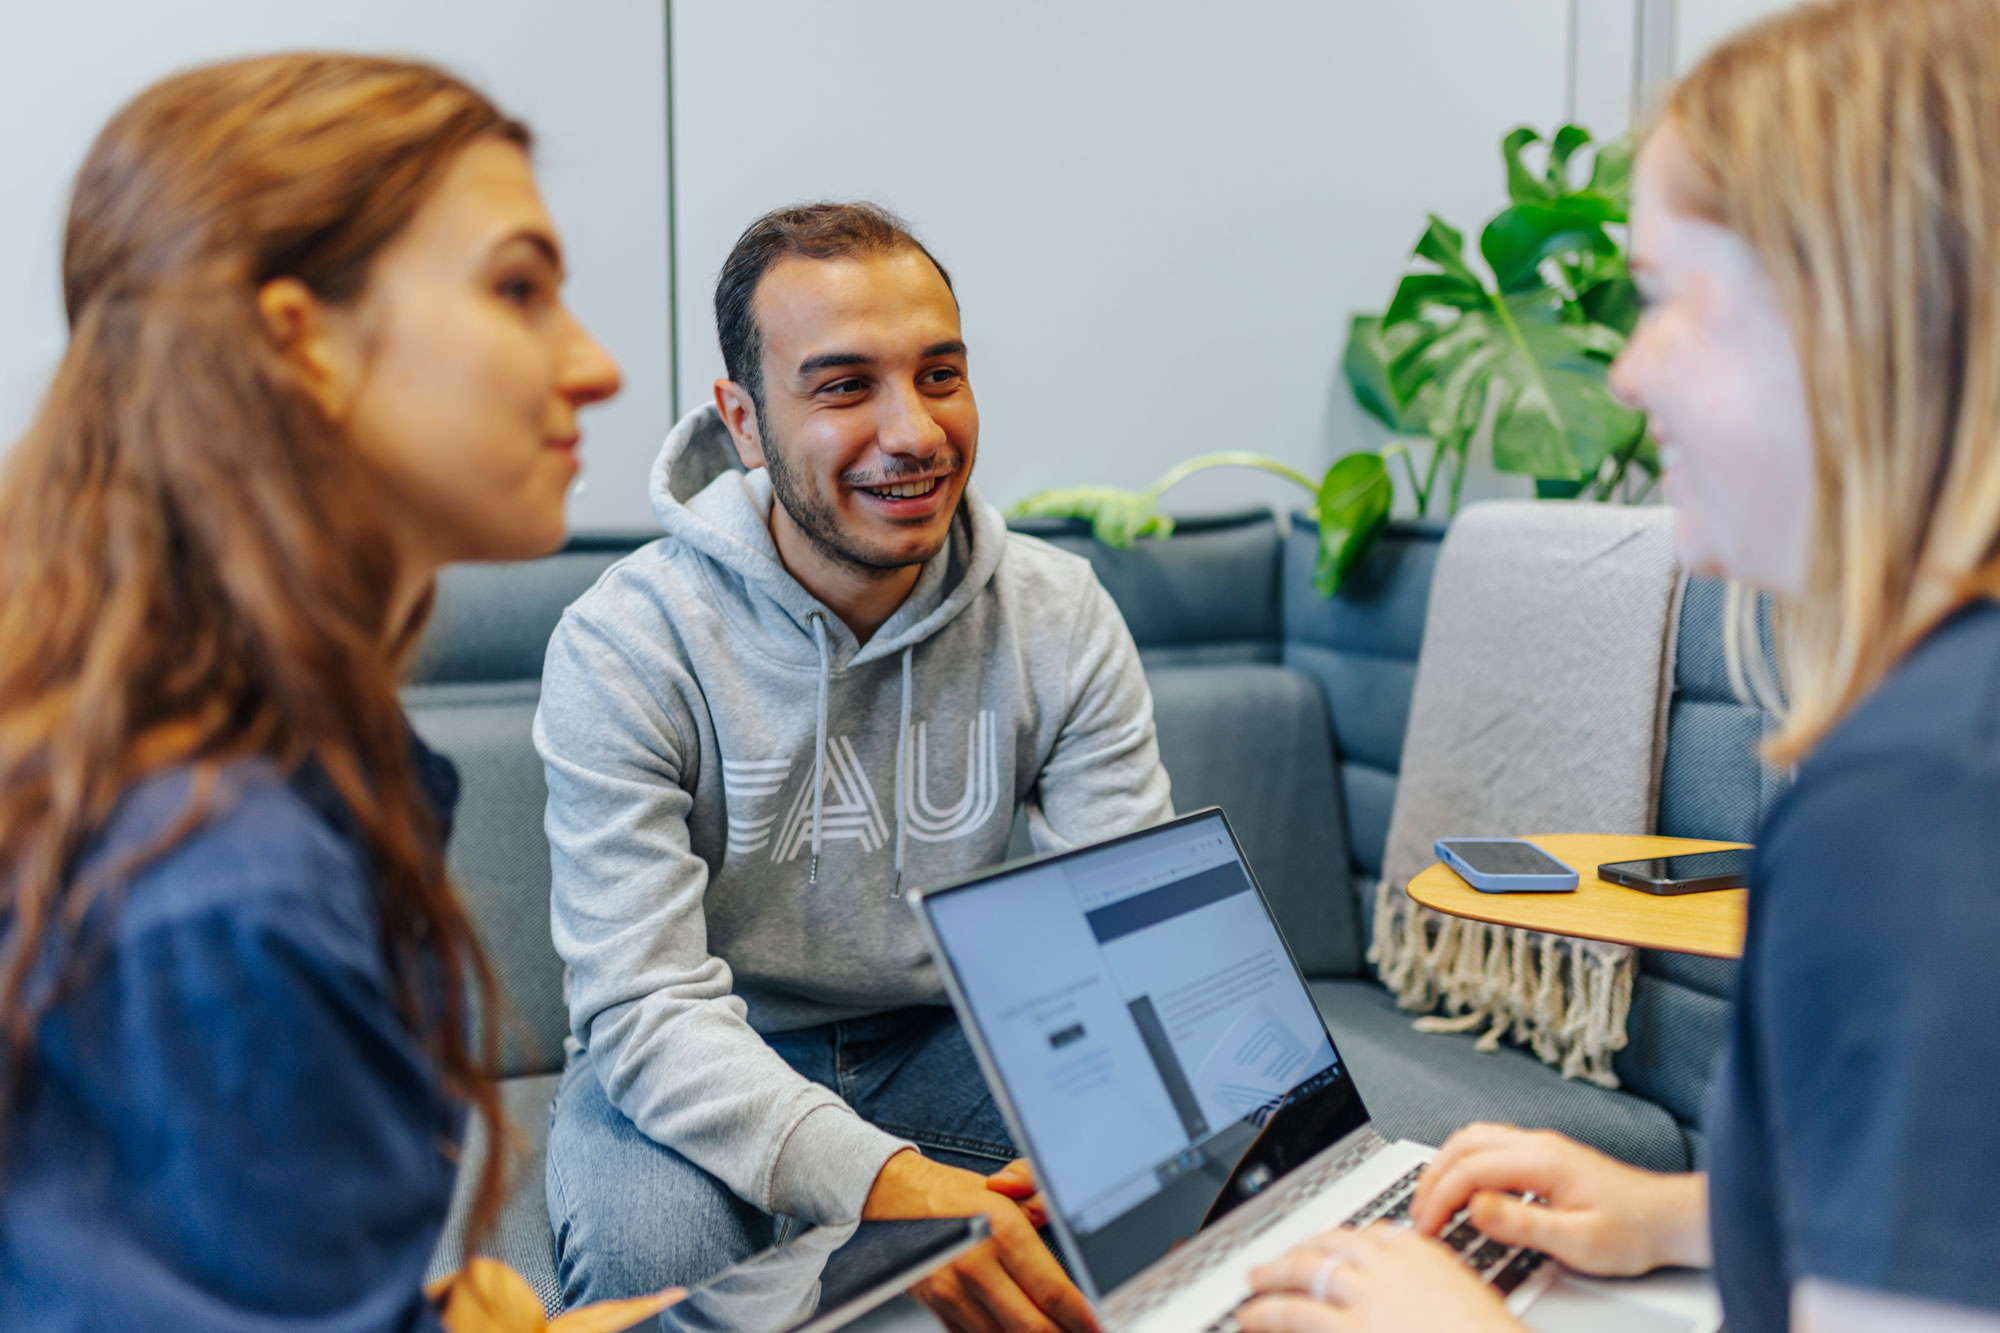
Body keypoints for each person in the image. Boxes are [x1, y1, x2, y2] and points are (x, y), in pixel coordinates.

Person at [1236, 2, 2000, 1330]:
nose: (1629, 376)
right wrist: (1691, 1214)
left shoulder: (1918, 794)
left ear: (1862, 316)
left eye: (1668, 300)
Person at [0, 53, 665, 1333]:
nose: (594, 366)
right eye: (517, 289)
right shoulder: (220, 882)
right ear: (299, 341)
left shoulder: (251, 774)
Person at [535, 202, 1174, 1329]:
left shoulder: (1057, 612)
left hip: (946, 1038)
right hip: (695, 1049)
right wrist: (889, 1182)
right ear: (743, 421)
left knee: (1169, 1188)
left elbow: (1121, 941)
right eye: (843, 387)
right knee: (657, 1284)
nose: (915, 432)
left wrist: (1111, 1120)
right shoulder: (627, 641)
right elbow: (643, 1003)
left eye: (940, 375)